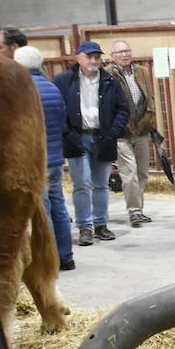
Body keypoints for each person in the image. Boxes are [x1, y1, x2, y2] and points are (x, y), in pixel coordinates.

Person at [54, 41, 128, 246]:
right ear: (77, 57)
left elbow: (122, 109)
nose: (94, 60)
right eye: (89, 56)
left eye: (97, 57)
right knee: (81, 184)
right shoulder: (63, 81)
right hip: (77, 138)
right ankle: (85, 227)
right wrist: (68, 134)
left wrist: (113, 133)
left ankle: (101, 225)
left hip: (103, 138)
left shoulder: (110, 80)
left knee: (101, 184)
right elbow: (58, 110)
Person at [17, 46, 74, 270]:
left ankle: (50, 260)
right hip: (55, 158)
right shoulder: (52, 88)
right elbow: (62, 125)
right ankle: (66, 256)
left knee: (43, 211)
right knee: (58, 205)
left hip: (36, 160)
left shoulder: (22, 91)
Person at [105, 40, 159, 227]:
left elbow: (148, 98)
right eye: (119, 52)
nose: (124, 54)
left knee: (143, 172)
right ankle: (134, 211)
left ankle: (139, 210)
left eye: (127, 50)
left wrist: (149, 119)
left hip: (142, 130)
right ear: (112, 56)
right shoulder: (108, 74)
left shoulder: (141, 71)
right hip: (121, 132)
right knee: (129, 173)